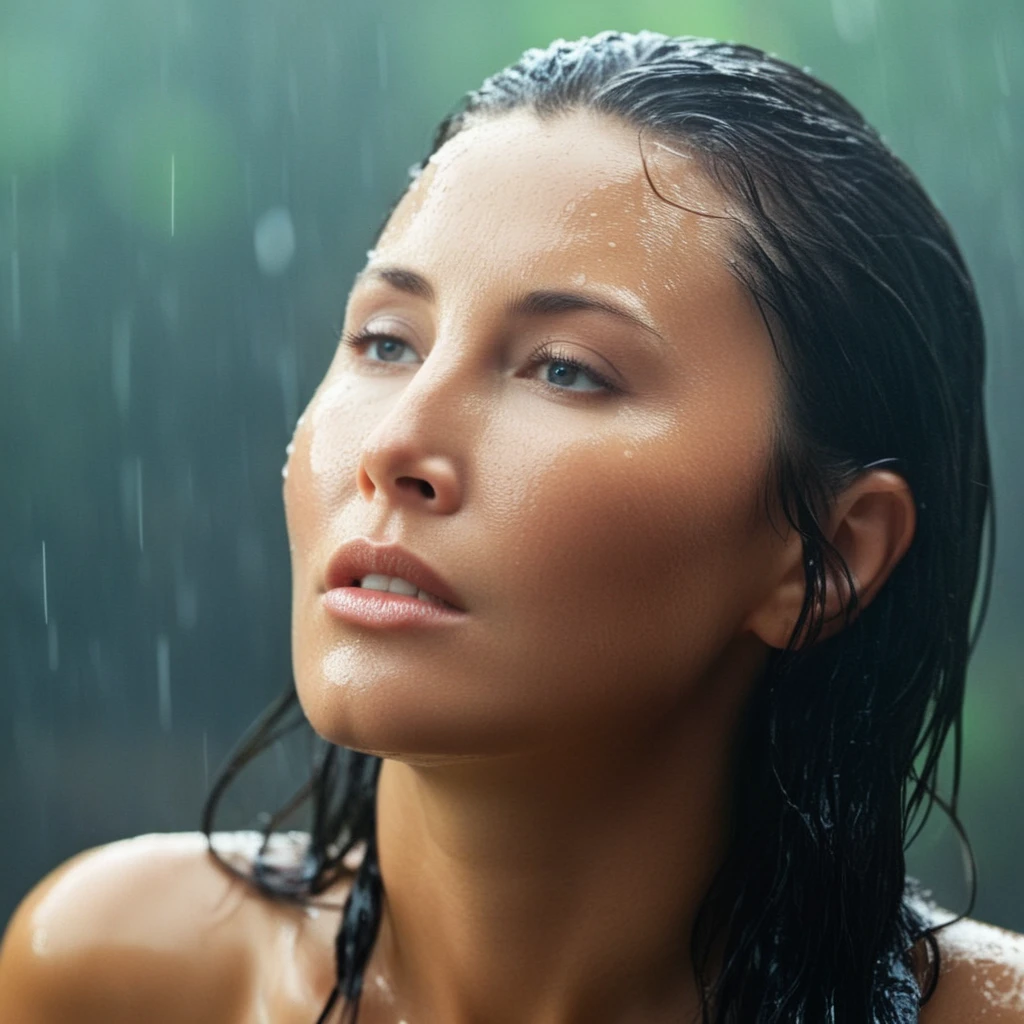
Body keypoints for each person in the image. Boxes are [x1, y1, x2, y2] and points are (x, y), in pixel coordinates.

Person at [0, 28, 1021, 1024]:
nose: (396, 446)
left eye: (566, 368)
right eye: (386, 340)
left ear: (827, 556)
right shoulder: (122, 975)